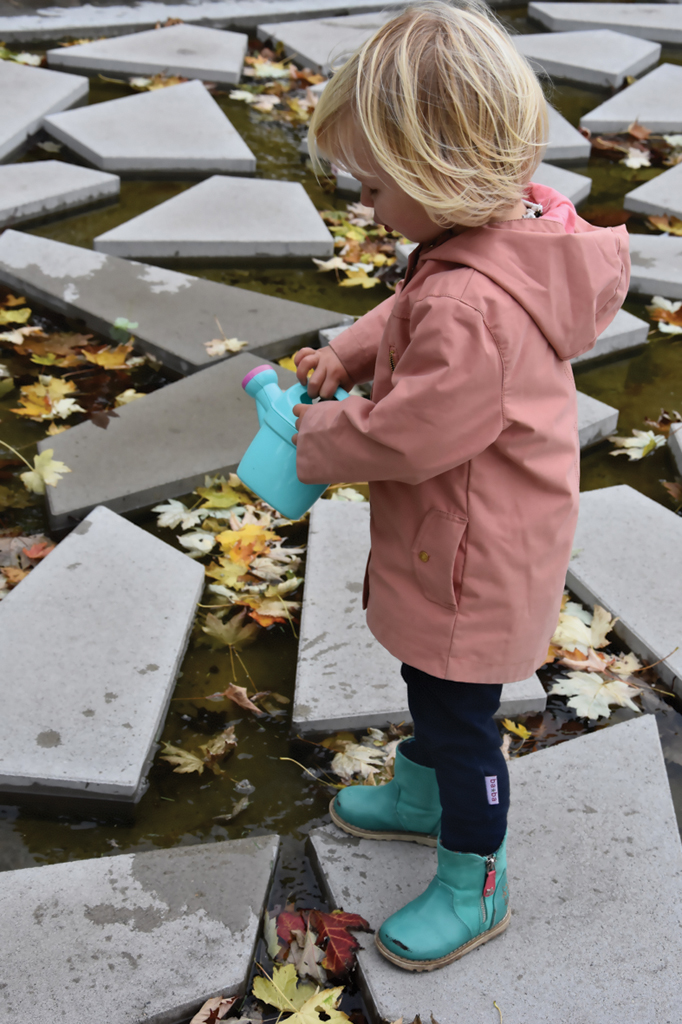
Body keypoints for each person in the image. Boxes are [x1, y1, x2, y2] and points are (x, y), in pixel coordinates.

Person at [291, 0, 629, 972]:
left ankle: (473, 871)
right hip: (476, 528)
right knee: (430, 687)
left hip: (474, 552)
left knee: (462, 716)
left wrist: (319, 432)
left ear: (437, 177)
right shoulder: (489, 237)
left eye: (371, 185)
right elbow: (411, 304)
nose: (365, 204)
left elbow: (410, 433)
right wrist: (351, 349)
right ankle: (417, 791)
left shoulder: (473, 306)